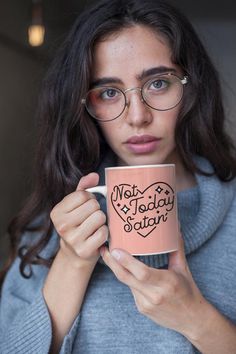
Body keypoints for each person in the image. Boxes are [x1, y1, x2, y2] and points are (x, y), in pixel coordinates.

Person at [1, 0, 236, 353]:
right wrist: (72, 262)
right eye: (109, 93)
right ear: (85, 105)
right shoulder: (50, 227)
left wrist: (197, 319)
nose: (137, 116)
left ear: (190, 87)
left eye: (158, 83)